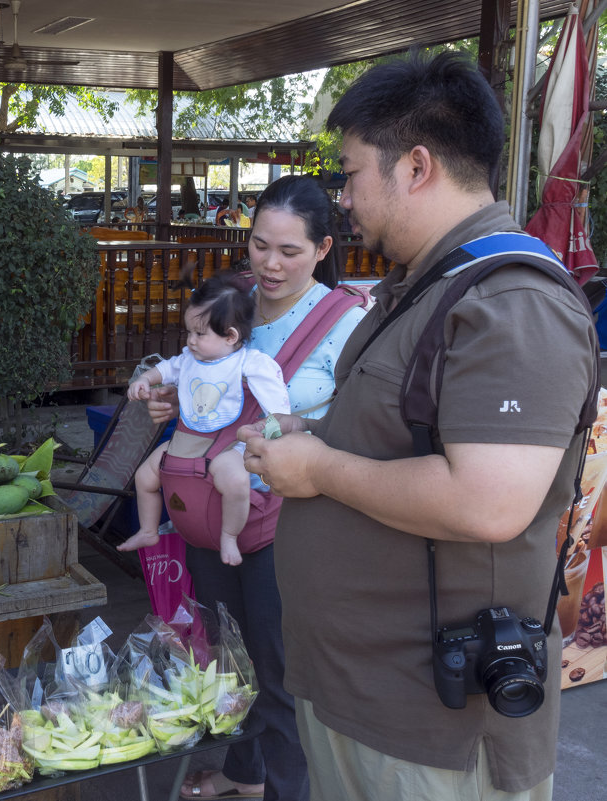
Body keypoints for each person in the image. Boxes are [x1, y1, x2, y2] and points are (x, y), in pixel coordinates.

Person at [239, 53, 598, 801]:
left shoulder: (512, 304)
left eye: (352, 172)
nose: (344, 197)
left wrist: (317, 470)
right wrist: (306, 433)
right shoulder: (426, 285)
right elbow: (399, 429)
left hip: (432, 733)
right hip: (361, 698)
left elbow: (488, 501)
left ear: (417, 167)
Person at [148, 174, 366, 801]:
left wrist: (301, 425)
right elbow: (190, 374)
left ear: (324, 249)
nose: (269, 264)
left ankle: (286, 789)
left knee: (278, 666)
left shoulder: (345, 322)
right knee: (226, 650)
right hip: (210, 513)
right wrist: (167, 401)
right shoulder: (230, 300)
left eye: (290, 251)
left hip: (291, 523)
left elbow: (366, 424)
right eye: (258, 245)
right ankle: (245, 772)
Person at [119, 272, 290, 566]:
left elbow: (277, 403)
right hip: (188, 441)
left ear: (231, 336)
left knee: (235, 479)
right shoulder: (189, 359)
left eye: (199, 334)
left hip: (229, 444)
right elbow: (166, 369)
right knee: (145, 474)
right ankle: (148, 530)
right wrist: (145, 380)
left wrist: (277, 426)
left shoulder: (248, 362)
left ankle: (229, 536)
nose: (191, 341)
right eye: (189, 332)